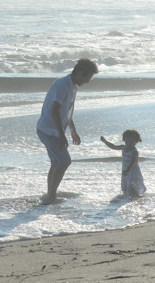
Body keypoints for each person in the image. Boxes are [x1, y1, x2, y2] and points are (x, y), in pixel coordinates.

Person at [35, 58, 98, 204]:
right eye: (88, 77)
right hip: (48, 131)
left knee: (56, 163)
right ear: (80, 73)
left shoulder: (73, 86)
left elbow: (67, 112)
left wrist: (72, 131)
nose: (88, 81)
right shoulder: (63, 85)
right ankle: (51, 196)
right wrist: (61, 135)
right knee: (65, 161)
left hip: (51, 130)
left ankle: (50, 195)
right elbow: (55, 110)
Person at [101, 129, 147, 197]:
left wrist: (128, 170)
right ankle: (125, 198)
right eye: (127, 141)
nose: (129, 143)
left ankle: (134, 198)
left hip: (133, 172)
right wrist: (105, 141)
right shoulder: (123, 147)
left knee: (132, 186)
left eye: (132, 142)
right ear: (124, 140)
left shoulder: (134, 151)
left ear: (136, 141)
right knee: (125, 187)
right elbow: (113, 147)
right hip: (125, 171)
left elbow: (133, 162)